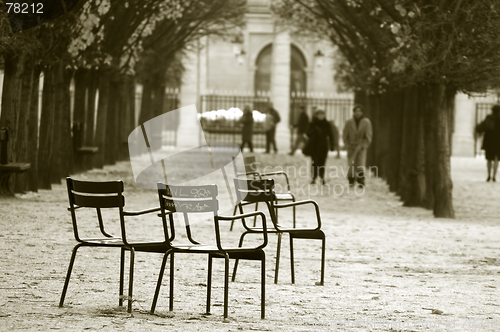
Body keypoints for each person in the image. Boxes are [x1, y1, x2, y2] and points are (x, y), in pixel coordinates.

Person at [343, 105, 373, 187]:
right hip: (351, 146)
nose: (358, 113)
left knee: (360, 164)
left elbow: (368, 136)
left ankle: (361, 181)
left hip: (361, 147)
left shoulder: (366, 122)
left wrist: (364, 145)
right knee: (351, 164)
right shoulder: (349, 122)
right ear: (354, 112)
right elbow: (345, 135)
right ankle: (351, 180)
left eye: (359, 111)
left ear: (362, 112)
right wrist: (347, 145)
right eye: (356, 111)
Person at [305, 109, 334, 185]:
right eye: (319, 114)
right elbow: (307, 133)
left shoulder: (326, 124)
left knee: (322, 162)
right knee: (314, 162)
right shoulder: (313, 124)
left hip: (323, 146)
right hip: (314, 146)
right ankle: (314, 178)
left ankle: (322, 177)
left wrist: (332, 145)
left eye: (322, 114)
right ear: (317, 115)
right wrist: (314, 130)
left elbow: (330, 135)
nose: (321, 116)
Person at [476, 104, 500, 182]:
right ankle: (494, 176)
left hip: (489, 141)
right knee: (496, 159)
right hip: (498, 141)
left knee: (489, 159)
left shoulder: (489, 118)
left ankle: (489, 175)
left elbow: (482, 127)